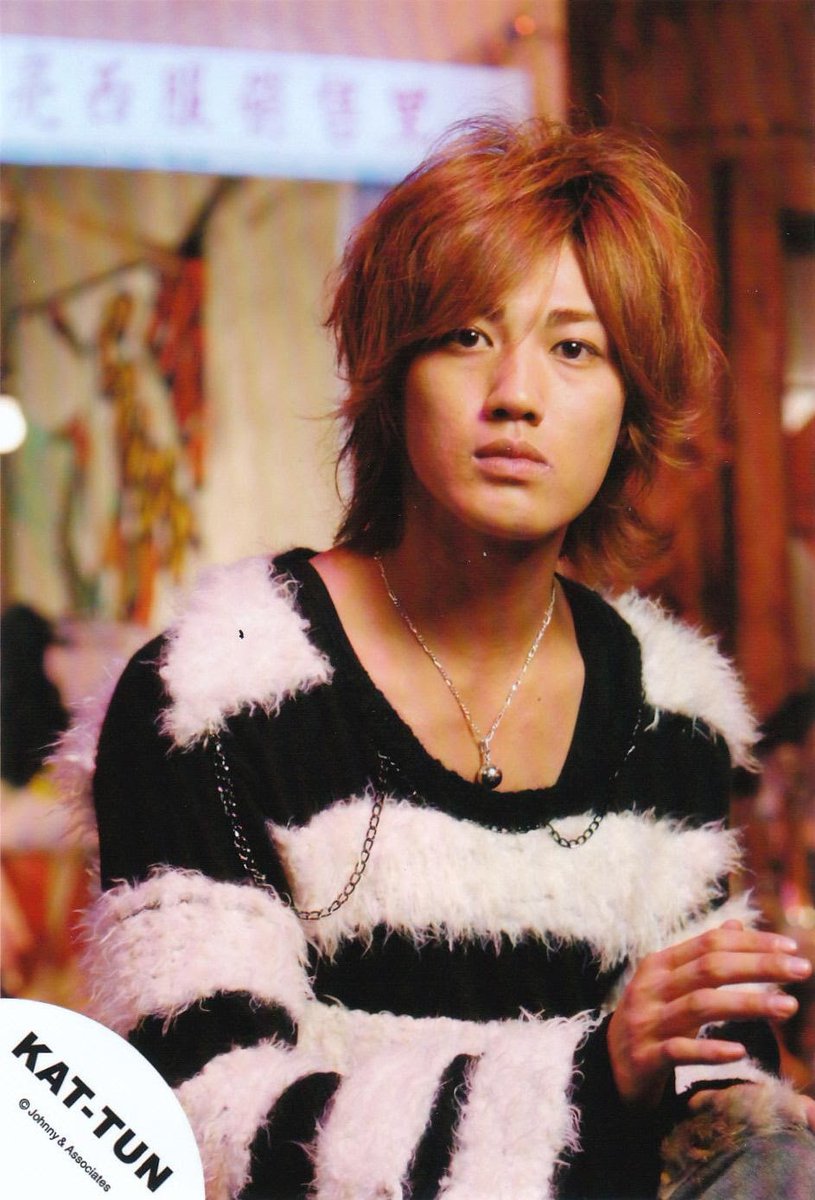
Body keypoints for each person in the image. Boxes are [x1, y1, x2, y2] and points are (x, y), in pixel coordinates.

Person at [70, 118, 815, 1199]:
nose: (515, 392)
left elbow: (713, 1084)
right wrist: (589, 1080)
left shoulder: (669, 710)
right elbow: (196, 1124)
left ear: (629, 406)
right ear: (391, 373)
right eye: (466, 335)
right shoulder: (216, 695)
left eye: (574, 348)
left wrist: (742, 1119)